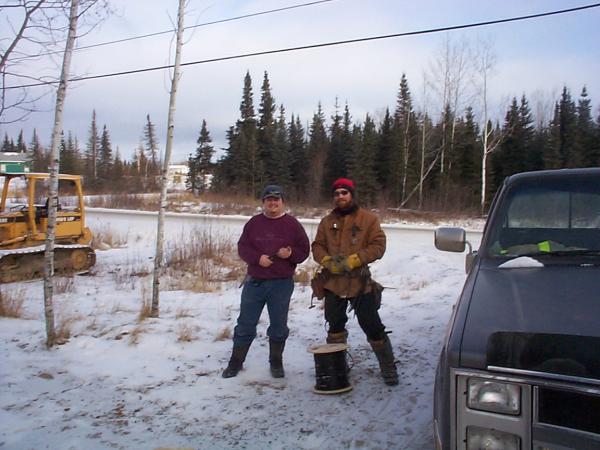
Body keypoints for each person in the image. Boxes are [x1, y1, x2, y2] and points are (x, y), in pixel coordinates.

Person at [311, 178, 399, 386]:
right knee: (335, 328)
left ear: (351, 194)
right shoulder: (326, 221)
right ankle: (338, 369)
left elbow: (379, 245)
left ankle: (388, 367)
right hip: (333, 284)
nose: (340, 196)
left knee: (373, 326)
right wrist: (326, 260)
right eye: (337, 193)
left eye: (344, 192)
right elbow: (317, 246)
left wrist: (356, 259)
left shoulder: (368, 219)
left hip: (360, 284)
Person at [222, 184, 310, 379]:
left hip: (281, 284)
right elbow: (243, 247)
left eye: (276, 199)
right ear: (263, 202)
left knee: (278, 327)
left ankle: (276, 362)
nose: (273, 202)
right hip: (255, 283)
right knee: (245, 324)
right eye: (269, 199)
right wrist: (257, 258)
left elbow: (304, 251)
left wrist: (290, 254)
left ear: (282, 202)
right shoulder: (253, 223)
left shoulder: (293, 225)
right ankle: (235, 363)